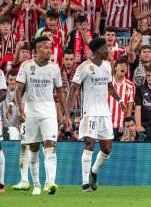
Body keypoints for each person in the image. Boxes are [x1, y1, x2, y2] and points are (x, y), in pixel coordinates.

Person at [66, 37, 125, 192]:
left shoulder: (106, 66)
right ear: (99, 50)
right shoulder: (84, 67)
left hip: (105, 113)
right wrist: (67, 114)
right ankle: (85, 183)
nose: (109, 50)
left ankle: (93, 171)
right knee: (89, 144)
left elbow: (110, 87)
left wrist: (119, 101)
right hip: (90, 112)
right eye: (107, 47)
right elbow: (73, 90)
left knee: (107, 149)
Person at [15, 36, 70, 196]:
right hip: (31, 112)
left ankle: (50, 183)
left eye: (50, 47)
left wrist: (66, 115)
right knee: (33, 148)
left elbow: (60, 92)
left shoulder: (54, 68)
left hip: (48, 112)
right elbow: (19, 90)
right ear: (37, 50)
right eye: (46, 47)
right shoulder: (26, 66)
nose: (49, 50)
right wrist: (20, 110)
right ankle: (36, 185)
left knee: (50, 146)